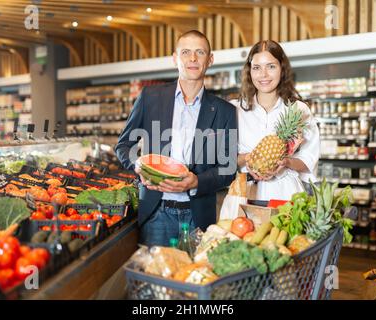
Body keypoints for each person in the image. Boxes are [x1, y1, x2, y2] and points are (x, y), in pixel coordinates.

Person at [115, 30, 237, 246]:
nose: (192, 59)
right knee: (155, 278)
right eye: (186, 52)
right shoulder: (150, 97)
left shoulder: (224, 110)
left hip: (198, 217)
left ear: (210, 60)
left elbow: (227, 168)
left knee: (195, 278)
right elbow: (124, 145)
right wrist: (140, 167)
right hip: (156, 213)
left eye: (200, 52)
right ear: (175, 58)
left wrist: (197, 181)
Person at [231, 40, 320, 201]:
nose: (263, 74)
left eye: (271, 66)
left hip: (286, 194)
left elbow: (309, 158)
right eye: (257, 68)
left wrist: (286, 162)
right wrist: (248, 158)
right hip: (245, 193)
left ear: (282, 69)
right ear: (249, 71)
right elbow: (223, 158)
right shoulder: (235, 109)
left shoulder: (299, 110)